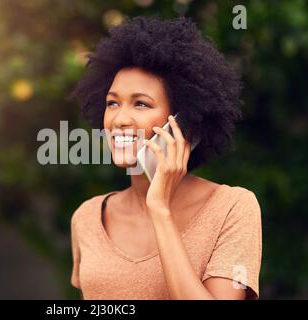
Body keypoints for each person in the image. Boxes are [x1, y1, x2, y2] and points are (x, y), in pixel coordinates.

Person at [68, 16, 262, 300]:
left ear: (183, 122)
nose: (120, 119)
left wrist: (159, 209)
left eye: (141, 104)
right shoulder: (87, 218)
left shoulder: (232, 208)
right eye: (112, 103)